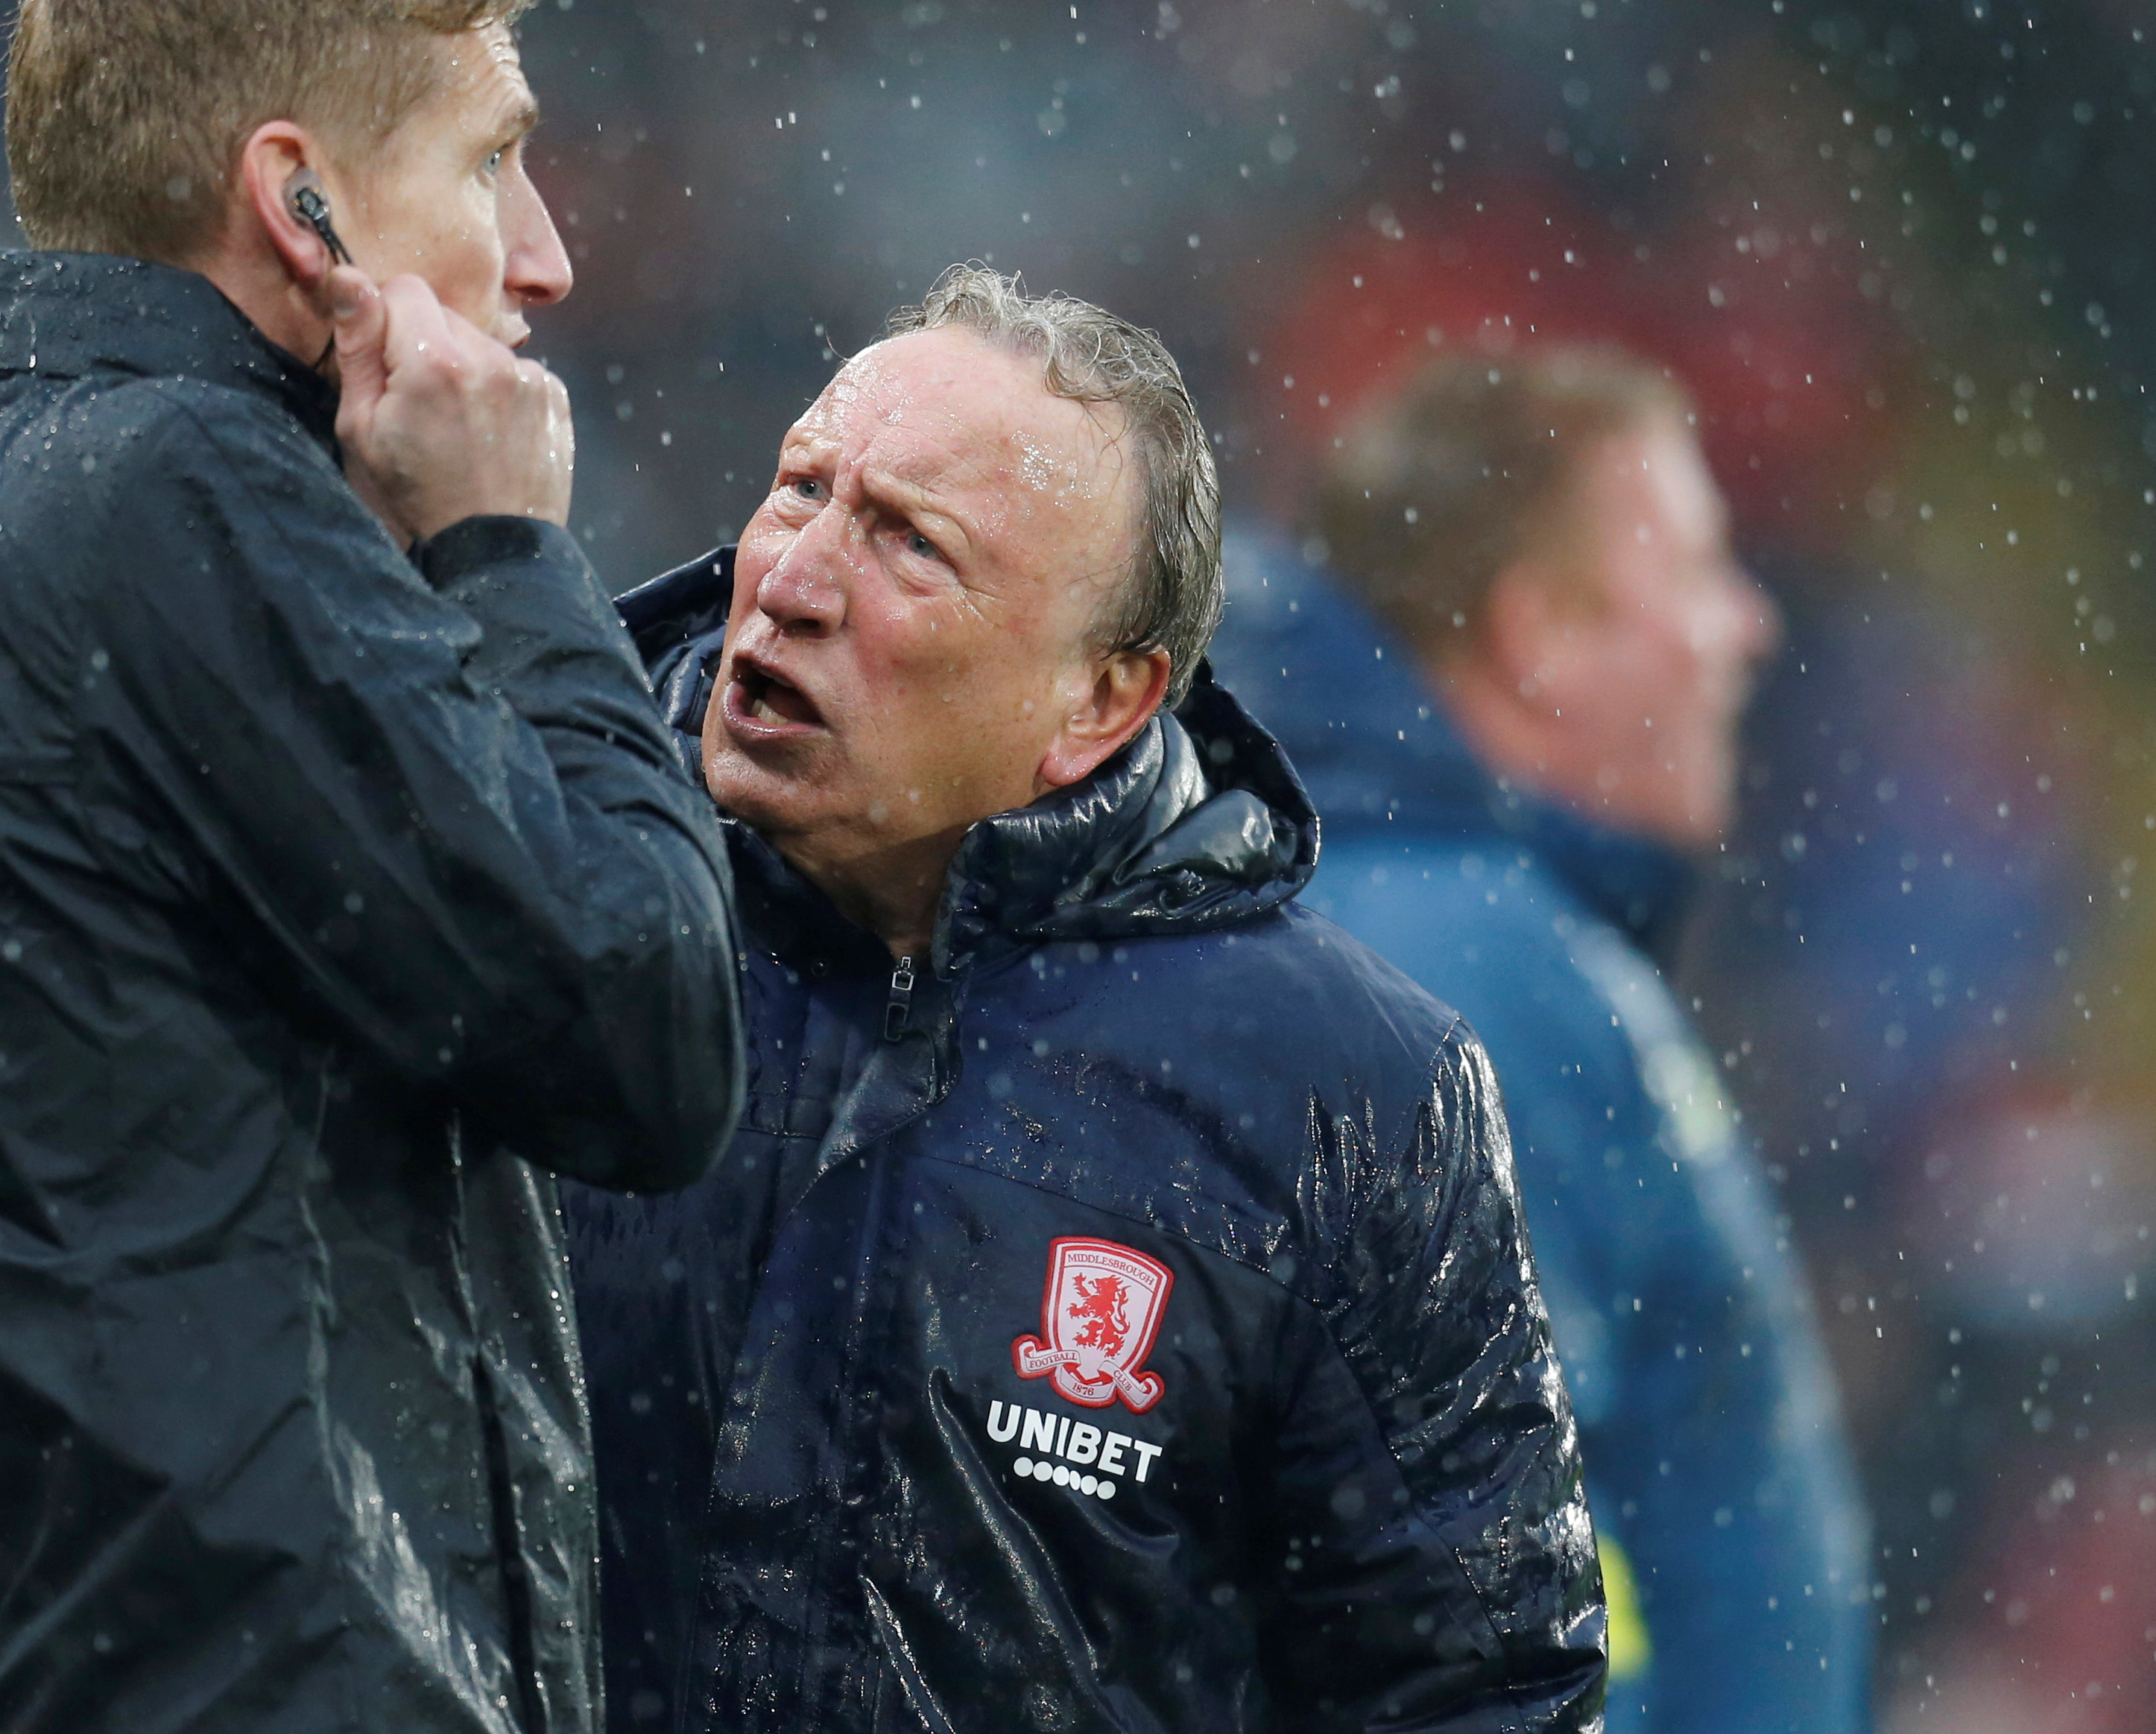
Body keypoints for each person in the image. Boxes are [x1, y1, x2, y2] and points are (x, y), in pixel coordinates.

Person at [0, 0, 745, 1733]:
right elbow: (644, 1028)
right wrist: (506, 551)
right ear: (298, 203)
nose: (545, 256)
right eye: (493, 160)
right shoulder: (192, 509)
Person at [564, 266, 1607, 1733]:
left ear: (1101, 702)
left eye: (911, 545)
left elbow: (1475, 1696)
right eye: (800, 489)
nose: (789, 581)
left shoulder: (1344, 1094)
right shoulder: (537, 894)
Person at [1207, 346, 1871, 1731]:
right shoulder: (1464, 963)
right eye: (1697, 567)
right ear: (1538, 634)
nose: (1745, 625)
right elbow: (1458, 1582)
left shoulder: (1440, 923)